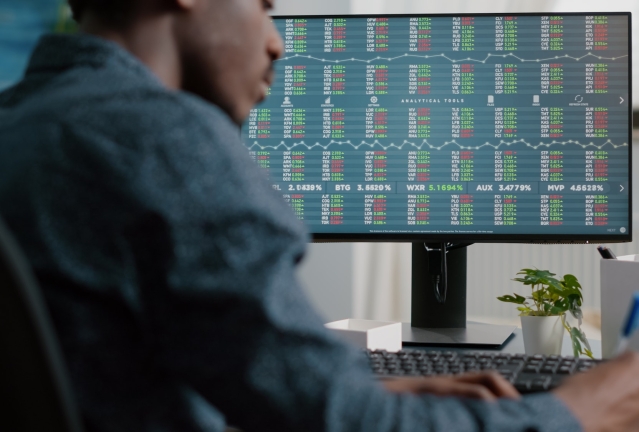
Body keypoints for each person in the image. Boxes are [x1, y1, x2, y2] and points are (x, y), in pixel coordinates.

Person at [1, 0, 639, 431]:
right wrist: (580, 409)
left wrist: (355, 390)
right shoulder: (156, 134)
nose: (277, 42)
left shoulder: (23, 121)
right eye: (263, 5)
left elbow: (120, 368)